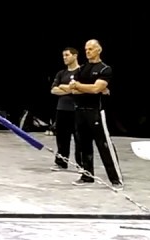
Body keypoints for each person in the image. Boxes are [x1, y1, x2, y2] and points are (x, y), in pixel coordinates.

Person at [64, 39, 122, 188]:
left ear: (98, 50)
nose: (88, 52)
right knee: (83, 146)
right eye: (86, 49)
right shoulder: (82, 69)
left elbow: (96, 89)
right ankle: (87, 176)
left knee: (104, 145)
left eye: (90, 49)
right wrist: (84, 88)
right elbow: (73, 90)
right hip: (80, 111)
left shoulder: (104, 69)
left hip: (96, 112)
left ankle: (116, 179)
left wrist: (80, 86)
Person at [49, 47, 80, 170]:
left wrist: (63, 87)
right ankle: (61, 162)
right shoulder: (61, 73)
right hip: (62, 109)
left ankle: (82, 165)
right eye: (63, 55)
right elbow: (53, 90)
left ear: (75, 56)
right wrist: (70, 89)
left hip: (77, 110)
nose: (64, 58)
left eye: (67, 55)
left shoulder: (81, 72)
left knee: (80, 139)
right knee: (62, 138)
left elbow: (80, 89)